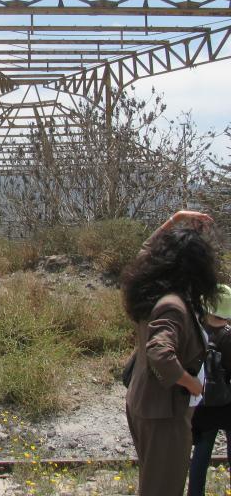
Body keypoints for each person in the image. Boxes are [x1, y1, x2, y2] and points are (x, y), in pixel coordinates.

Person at [122, 210, 218, 496]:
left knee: (154, 483)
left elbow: (144, 252)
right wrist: (193, 384)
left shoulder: (149, 290)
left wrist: (175, 220)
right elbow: (160, 353)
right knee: (164, 488)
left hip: (145, 404)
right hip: (164, 413)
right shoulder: (173, 304)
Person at [188, 284, 231, 496]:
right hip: (228, 404)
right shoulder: (229, 336)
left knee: (201, 456)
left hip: (203, 404)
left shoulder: (198, 332)